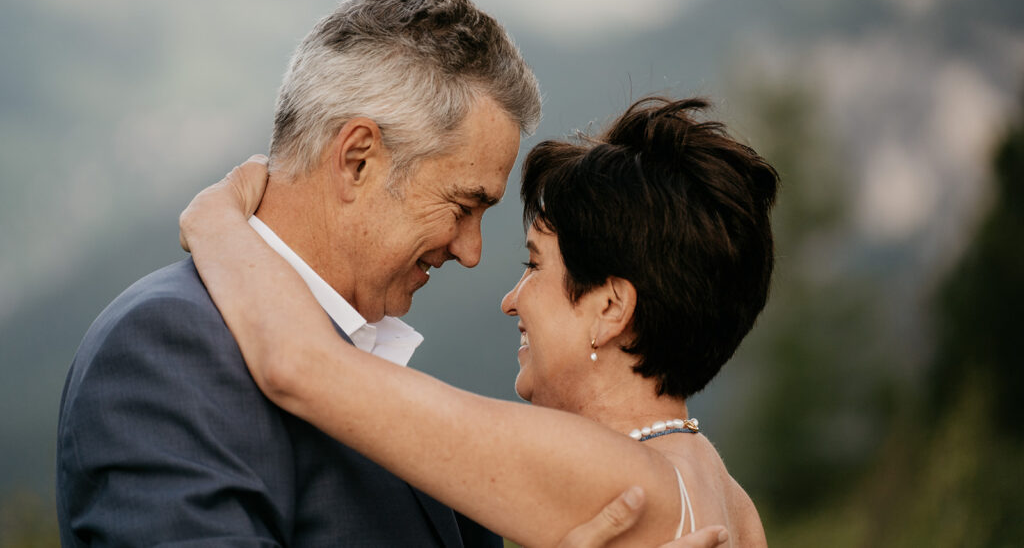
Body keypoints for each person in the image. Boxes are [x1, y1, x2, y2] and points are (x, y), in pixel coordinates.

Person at [179, 96, 778, 546]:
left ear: (610, 308)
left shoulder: (603, 470)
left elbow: (298, 365)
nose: (512, 299)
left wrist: (216, 221)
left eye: (535, 264)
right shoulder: (733, 504)